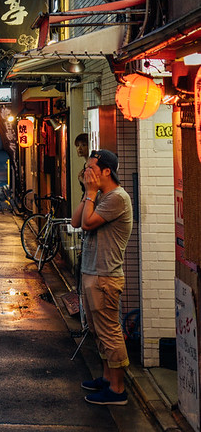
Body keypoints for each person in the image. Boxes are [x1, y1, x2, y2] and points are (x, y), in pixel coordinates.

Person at [71, 149, 133, 406]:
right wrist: (88, 193)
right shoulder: (100, 196)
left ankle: (117, 390)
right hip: (92, 272)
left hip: (105, 276)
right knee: (97, 331)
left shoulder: (117, 198)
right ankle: (107, 378)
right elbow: (76, 221)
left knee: (109, 333)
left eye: (91, 168)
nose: (87, 172)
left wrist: (90, 193)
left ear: (107, 171)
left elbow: (87, 224)